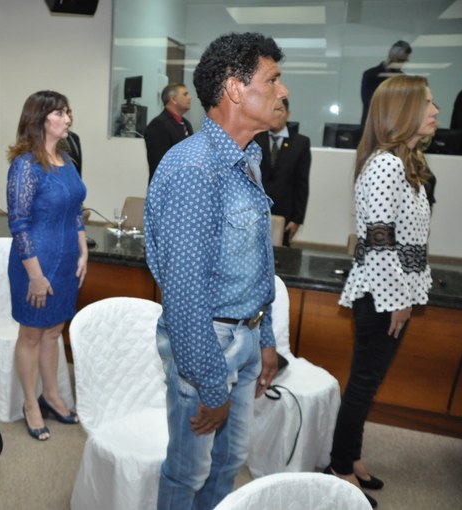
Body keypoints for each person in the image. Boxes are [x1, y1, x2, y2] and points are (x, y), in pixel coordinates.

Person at [144, 32, 285, 509]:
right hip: (207, 343)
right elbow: (184, 297)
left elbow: (256, 262)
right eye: (273, 80)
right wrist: (210, 384)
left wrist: (265, 338)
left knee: (228, 462)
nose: (283, 92)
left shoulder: (245, 158)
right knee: (188, 473)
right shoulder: (195, 169)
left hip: (245, 335)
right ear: (235, 89)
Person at [325, 74, 438, 509]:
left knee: (368, 384)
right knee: (363, 385)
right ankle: (339, 467)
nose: (436, 111)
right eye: (428, 103)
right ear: (403, 111)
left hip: (391, 290)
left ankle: (351, 457)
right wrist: (400, 300)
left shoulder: (406, 162)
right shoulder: (386, 164)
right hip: (382, 294)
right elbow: (379, 240)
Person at [6, 90, 87, 441]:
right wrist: (35, 276)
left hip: (67, 261)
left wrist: (83, 251)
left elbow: (76, 210)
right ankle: (30, 403)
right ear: (40, 119)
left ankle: (52, 395)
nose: (68, 118)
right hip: (35, 264)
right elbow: (19, 223)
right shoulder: (25, 165)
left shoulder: (66, 159)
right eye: (60, 113)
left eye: (68, 112)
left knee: (54, 331)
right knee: (31, 335)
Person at [253, 97, 311, 246]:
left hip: (285, 214)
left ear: (287, 114)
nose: (275, 114)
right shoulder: (254, 139)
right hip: (254, 214)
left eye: (279, 110)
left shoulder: (300, 143)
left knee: (281, 257)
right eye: (271, 110)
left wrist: (297, 219)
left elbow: (302, 184)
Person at [144, 82, 193, 182]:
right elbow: (159, 165)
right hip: (167, 187)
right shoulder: (158, 125)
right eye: (185, 94)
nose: (190, 97)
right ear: (173, 99)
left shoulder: (186, 124)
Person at [360, 40, 412, 125]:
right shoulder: (370, 74)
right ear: (390, 55)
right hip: (372, 125)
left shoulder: (403, 79)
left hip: (395, 126)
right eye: (399, 60)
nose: (401, 64)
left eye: (404, 61)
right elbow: (369, 102)